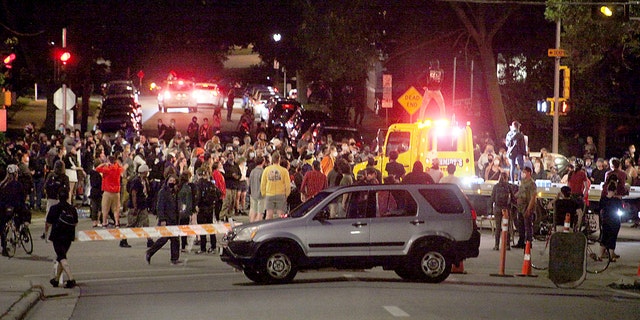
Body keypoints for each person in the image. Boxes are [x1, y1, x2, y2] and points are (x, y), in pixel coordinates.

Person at [45, 187, 78, 288]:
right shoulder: (72, 209)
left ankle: (71, 278)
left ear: (58, 197)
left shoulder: (54, 208)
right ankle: (56, 279)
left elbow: (48, 223)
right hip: (69, 235)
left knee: (62, 256)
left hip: (57, 235)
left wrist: (46, 233)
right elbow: (75, 223)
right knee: (61, 256)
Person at [146, 175, 182, 265]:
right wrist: (162, 219)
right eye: (170, 180)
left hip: (174, 220)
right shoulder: (163, 192)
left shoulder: (175, 192)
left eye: (174, 180)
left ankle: (174, 258)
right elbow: (160, 207)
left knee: (175, 240)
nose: (172, 182)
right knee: (164, 239)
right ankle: (150, 252)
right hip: (166, 219)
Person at [121, 164, 154, 248]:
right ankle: (123, 239)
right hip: (135, 206)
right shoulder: (136, 181)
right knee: (131, 223)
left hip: (143, 205)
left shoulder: (145, 180)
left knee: (146, 223)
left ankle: (149, 240)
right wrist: (135, 206)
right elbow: (133, 194)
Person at [0, 165, 27, 257]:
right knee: (23, 214)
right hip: (14, 207)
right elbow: (22, 197)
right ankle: (20, 229)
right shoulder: (18, 184)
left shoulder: (3, 184)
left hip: (3, 208)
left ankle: (3, 246)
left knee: (3, 226)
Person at [95, 155, 124, 228]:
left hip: (107, 191)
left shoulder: (107, 169)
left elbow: (97, 169)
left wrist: (104, 164)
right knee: (116, 209)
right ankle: (117, 223)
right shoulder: (118, 168)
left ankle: (104, 223)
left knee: (105, 208)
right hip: (116, 192)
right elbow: (122, 168)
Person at [43, 160, 70, 237]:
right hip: (61, 200)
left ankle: (46, 232)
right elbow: (67, 189)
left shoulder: (50, 175)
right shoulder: (65, 177)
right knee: (61, 216)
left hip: (51, 198)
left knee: (49, 216)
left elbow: (45, 186)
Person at [261, 152, 291, 219]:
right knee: (281, 215)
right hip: (281, 194)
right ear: (279, 159)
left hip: (269, 194)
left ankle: (268, 229)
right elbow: (288, 185)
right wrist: (287, 194)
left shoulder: (266, 170)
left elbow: (263, 183)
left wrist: (264, 193)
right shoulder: (284, 171)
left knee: (269, 214)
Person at [195, 168, 218, 254]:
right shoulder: (210, 184)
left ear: (198, 174)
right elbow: (218, 194)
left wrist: (196, 205)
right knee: (210, 227)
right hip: (210, 207)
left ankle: (203, 248)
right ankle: (213, 246)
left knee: (202, 228)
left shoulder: (198, 184)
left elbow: (198, 196)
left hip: (202, 208)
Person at [597, 181, 622, 262]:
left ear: (607, 190)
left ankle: (599, 256)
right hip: (615, 221)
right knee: (612, 238)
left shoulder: (603, 199)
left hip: (605, 220)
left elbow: (599, 209)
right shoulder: (617, 200)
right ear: (615, 191)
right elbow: (622, 210)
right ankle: (611, 256)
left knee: (604, 237)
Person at [513, 167, 537, 249]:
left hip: (526, 207)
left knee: (528, 226)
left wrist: (529, 209)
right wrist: (513, 197)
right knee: (521, 226)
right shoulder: (522, 182)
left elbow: (533, 197)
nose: (523, 174)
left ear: (529, 173)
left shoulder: (531, 183)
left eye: (524, 172)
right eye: (522, 172)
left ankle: (528, 243)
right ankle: (521, 241)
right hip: (520, 207)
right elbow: (519, 193)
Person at [490, 172, 513, 250]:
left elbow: (492, 198)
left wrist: (490, 210)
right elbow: (512, 198)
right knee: (507, 226)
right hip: (506, 208)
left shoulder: (496, 186)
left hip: (497, 208)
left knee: (498, 227)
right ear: (506, 178)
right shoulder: (508, 186)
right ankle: (507, 245)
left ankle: (496, 245)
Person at [248, 155, 265, 222]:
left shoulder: (252, 171)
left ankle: (251, 224)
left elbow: (250, 182)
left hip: (253, 193)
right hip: (261, 194)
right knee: (260, 213)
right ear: (263, 162)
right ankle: (257, 227)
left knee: (253, 211)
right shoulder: (263, 172)